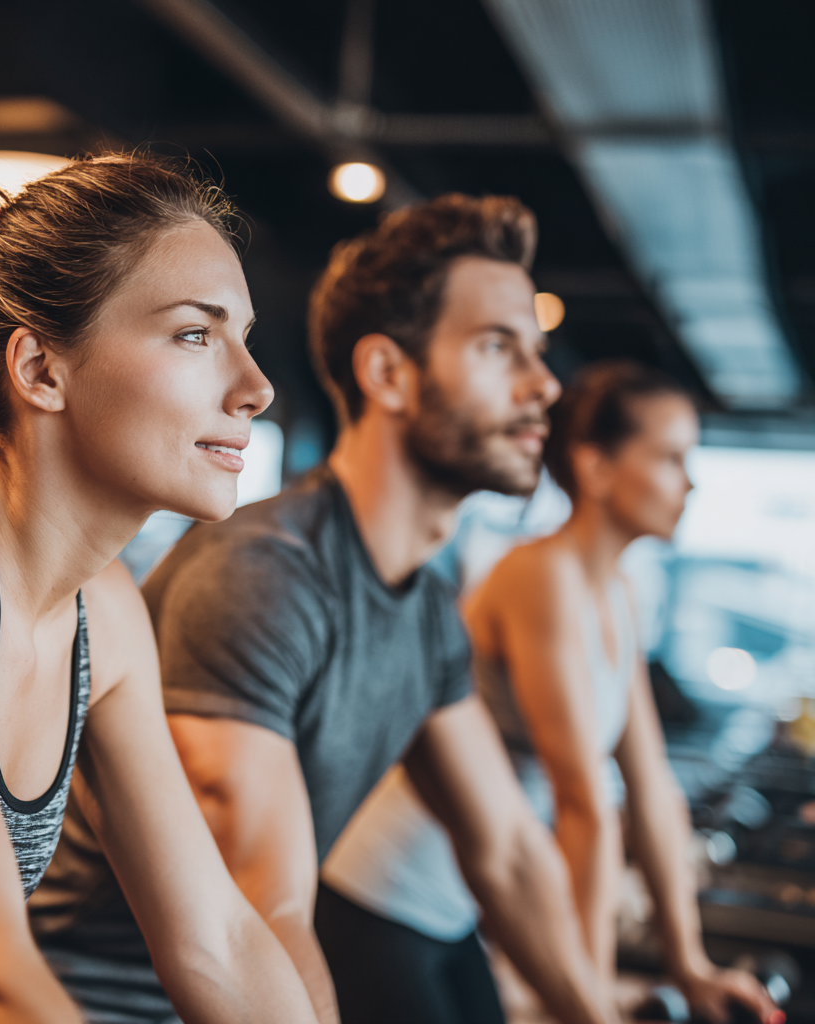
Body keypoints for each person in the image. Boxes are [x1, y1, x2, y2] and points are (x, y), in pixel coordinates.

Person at [30, 194, 617, 1024]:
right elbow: (266, 917)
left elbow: (511, 852)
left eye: (538, 352)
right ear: (387, 374)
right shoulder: (264, 576)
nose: (545, 385)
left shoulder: (422, 604)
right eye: (498, 348)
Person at [0, 154, 319, 1024]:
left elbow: (215, 939)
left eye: (246, 339)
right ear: (40, 370)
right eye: (196, 334)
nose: (255, 388)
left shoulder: (103, 618)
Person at [322, 361, 778, 1024]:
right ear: (594, 467)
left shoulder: (619, 592)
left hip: (464, 904)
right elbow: (582, 806)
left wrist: (691, 963)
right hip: (383, 893)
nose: (692, 481)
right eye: (673, 457)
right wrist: (587, 1001)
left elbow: (650, 787)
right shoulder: (541, 577)